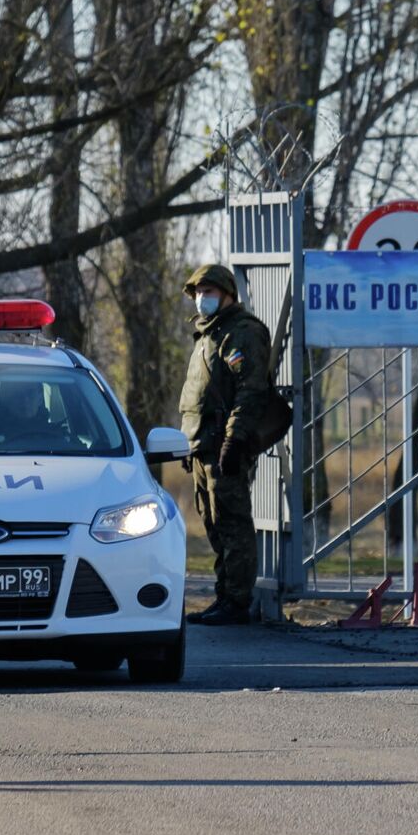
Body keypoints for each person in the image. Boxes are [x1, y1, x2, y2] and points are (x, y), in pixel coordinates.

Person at [177, 264, 271, 626]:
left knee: (232, 523)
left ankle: (237, 600)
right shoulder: (207, 335)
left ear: (229, 295)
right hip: (202, 445)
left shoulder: (241, 333)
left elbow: (250, 391)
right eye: (199, 292)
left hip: (223, 445)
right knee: (214, 523)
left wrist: (234, 439)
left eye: (210, 291)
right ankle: (224, 595)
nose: (203, 299)